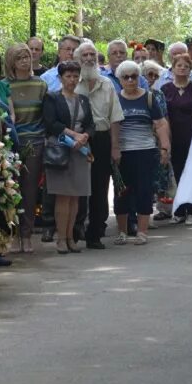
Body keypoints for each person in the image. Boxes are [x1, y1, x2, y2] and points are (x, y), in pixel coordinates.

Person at [73, 41, 123, 250]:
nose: (89, 58)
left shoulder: (107, 84)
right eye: (84, 55)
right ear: (77, 59)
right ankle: (75, 230)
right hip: (78, 139)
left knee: (100, 187)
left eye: (92, 54)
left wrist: (115, 146)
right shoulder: (72, 84)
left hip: (101, 139)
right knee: (77, 187)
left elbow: (115, 117)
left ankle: (95, 232)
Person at [113, 60, 169, 244]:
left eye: (134, 76)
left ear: (139, 78)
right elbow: (111, 126)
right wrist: (114, 149)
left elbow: (160, 124)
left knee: (145, 190)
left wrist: (164, 148)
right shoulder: (115, 99)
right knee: (122, 191)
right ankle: (122, 232)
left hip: (145, 151)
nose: (130, 80)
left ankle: (142, 232)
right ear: (120, 79)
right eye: (126, 77)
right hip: (123, 153)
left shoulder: (149, 98)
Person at [42, 60, 94, 253]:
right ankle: (61, 238)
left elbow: (90, 123)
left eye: (75, 76)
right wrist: (74, 135)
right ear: (61, 78)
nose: (72, 80)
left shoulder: (83, 100)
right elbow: (50, 123)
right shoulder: (52, 98)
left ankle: (71, 236)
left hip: (80, 150)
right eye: (68, 76)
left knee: (76, 198)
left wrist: (85, 136)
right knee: (63, 197)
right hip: (61, 149)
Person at [5, 44, 46, 253]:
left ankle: (27, 234)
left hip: (35, 142)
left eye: (27, 57)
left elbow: (45, 116)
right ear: (11, 61)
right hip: (11, 143)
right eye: (19, 57)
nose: (24, 61)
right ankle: (12, 234)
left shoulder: (40, 84)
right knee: (12, 190)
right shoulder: (4, 86)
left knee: (29, 191)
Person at [162, 54, 192, 225]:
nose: (182, 68)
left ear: (190, 69)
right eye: (179, 65)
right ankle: (178, 212)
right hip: (173, 137)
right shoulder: (165, 89)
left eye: (186, 66)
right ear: (173, 68)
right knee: (176, 173)